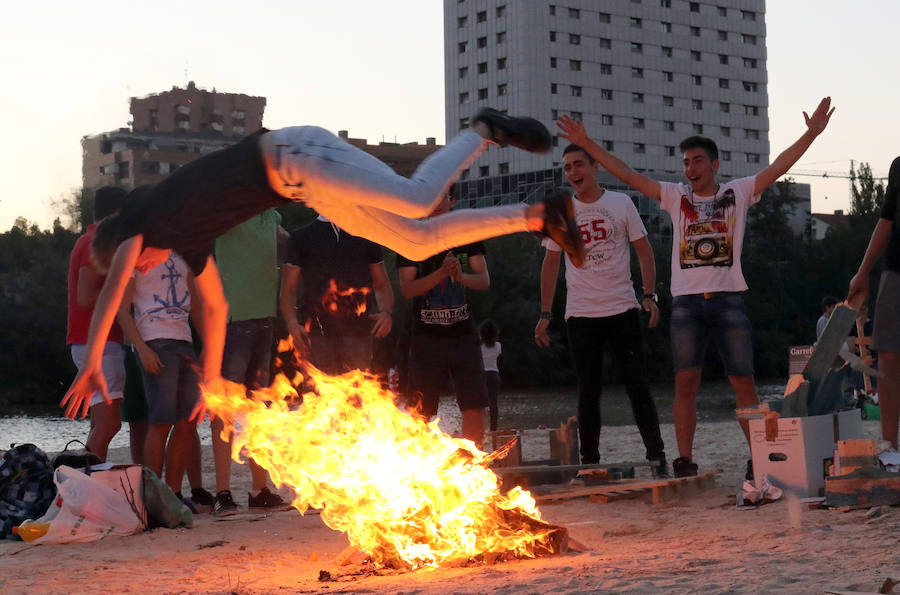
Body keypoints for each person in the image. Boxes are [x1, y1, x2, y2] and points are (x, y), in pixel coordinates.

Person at [62, 109, 584, 420]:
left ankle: (484, 131)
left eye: (132, 264)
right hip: (308, 189)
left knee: (417, 198)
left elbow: (112, 291)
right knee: (419, 243)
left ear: (125, 244)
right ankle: (538, 216)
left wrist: (90, 366)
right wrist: (216, 378)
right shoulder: (187, 242)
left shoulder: (141, 216)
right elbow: (216, 310)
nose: (141, 268)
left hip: (296, 153)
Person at [556, 97, 835, 478]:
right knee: (685, 383)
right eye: (686, 162)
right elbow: (628, 175)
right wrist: (587, 145)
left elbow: (777, 167)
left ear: (714, 165)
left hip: (728, 302)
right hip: (686, 305)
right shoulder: (676, 197)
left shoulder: (736, 193)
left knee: (743, 384)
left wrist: (811, 134)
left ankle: (759, 460)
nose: (690, 168)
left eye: (697, 161)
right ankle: (684, 459)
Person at [534, 145, 667, 476]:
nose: (573, 172)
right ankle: (589, 464)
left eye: (579, 164)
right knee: (588, 390)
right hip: (580, 314)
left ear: (594, 167)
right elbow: (550, 264)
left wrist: (649, 295)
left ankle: (657, 457)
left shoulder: (621, 203)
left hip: (622, 307)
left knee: (637, 385)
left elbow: (644, 251)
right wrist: (545, 314)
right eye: (567, 168)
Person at [116, 250, 212, 507]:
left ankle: (174, 493)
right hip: (154, 341)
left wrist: (208, 348)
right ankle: (153, 495)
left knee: (186, 421)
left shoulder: (185, 254)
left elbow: (196, 306)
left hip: (185, 343)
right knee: (161, 421)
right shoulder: (136, 255)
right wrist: (142, 348)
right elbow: (122, 310)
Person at [397, 187, 490, 445]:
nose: (436, 203)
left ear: (452, 201)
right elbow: (407, 289)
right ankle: (421, 469)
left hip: (463, 336)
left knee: (474, 404)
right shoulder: (411, 237)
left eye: (442, 197)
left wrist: (459, 276)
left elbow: (484, 280)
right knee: (421, 412)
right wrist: (440, 273)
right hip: (426, 338)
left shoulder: (467, 234)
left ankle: (472, 467)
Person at [211, 211, 289, 515]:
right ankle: (222, 492)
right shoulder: (230, 209)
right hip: (232, 319)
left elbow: (287, 239)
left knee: (260, 404)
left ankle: (260, 489)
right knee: (223, 406)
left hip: (265, 318)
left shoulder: (270, 214)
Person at [279, 215, 393, 374]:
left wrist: (386, 312)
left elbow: (381, 283)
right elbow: (288, 289)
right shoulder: (301, 238)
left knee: (359, 394)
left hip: (358, 333)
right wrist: (292, 323)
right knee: (317, 396)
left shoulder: (367, 234)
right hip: (316, 334)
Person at [65, 186, 127, 461]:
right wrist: (123, 292)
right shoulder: (94, 243)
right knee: (110, 422)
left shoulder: (90, 241)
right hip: (96, 342)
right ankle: (89, 481)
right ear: (118, 213)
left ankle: (89, 478)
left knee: (99, 421)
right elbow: (85, 296)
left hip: (95, 341)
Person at [848, 156, 900, 450]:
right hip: (897, 269)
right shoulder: (898, 166)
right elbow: (886, 220)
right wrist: (863, 271)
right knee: (889, 355)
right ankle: (890, 445)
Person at [478, 319, 502, 432]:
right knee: (493, 402)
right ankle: (493, 428)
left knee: (481, 403)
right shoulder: (498, 345)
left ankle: (481, 428)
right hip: (494, 375)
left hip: (482, 375)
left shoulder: (478, 346)